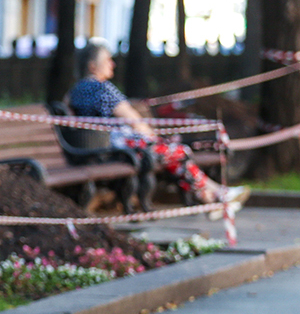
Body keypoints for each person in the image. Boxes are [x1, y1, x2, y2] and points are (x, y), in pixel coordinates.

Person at [67, 42, 248, 214]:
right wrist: (153, 138)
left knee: (174, 154)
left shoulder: (74, 90)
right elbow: (132, 119)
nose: (112, 64)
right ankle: (216, 194)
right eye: (107, 59)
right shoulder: (101, 88)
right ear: (92, 66)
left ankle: (212, 196)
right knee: (177, 152)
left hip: (91, 150)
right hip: (113, 148)